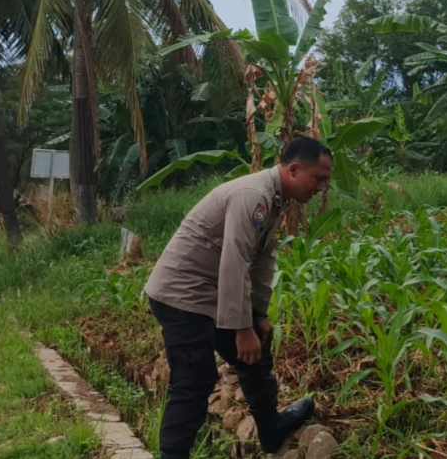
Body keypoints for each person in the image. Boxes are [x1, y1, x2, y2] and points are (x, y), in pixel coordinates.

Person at [143, 137, 334, 458]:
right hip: (182, 294)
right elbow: (235, 261)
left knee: (256, 350)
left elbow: (262, 259)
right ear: (294, 169)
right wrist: (242, 329)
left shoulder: (275, 198)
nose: (320, 188)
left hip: (210, 293)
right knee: (194, 381)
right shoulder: (253, 196)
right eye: (318, 179)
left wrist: (257, 315)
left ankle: (270, 429)